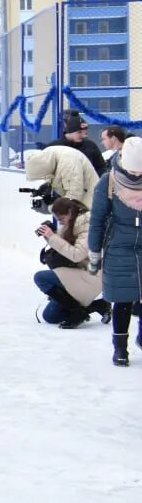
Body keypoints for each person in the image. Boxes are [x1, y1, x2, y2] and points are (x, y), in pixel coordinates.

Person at [88, 136, 142, 367]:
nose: (136, 176)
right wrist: (94, 254)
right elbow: (97, 220)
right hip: (119, 246)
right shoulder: (108, 183)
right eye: (133, 171)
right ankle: (120, 348)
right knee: (122, 300)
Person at [33, 197, 107, 328]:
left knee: (40, 277)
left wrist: (52, 236)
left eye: (61, 219)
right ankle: (98, 305)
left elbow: (77, 255)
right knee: (50, 316)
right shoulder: (72, 223)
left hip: (92, 275)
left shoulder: (87, 225)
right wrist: (50, 234)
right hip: (79, 272)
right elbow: (64, 245)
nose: (60, 222)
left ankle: (77, 312)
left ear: (70, 212)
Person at [23, 144, 97, 208]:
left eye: (42, 176)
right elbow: (52, 174)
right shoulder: (49, 158)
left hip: (90, 202)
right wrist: (47, 186)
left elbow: (75, 195)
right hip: (82, 201)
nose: (43, 178)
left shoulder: (67, 163)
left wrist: (51, 207)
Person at [48, 110, 106, 176]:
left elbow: (101, 168)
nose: (83, 135)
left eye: (85, 133)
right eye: (79, 132)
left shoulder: (90, 146)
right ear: (69, 131)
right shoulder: (54, 147)